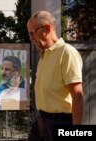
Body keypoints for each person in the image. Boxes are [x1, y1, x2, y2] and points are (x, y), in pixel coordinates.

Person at [27, 11, 84, 141]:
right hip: (41, 121)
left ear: (47, 29)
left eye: (32, 32)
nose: (31, 38)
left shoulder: (67, 52)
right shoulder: (44, 56)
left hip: (61, 123)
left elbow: (78, 96)